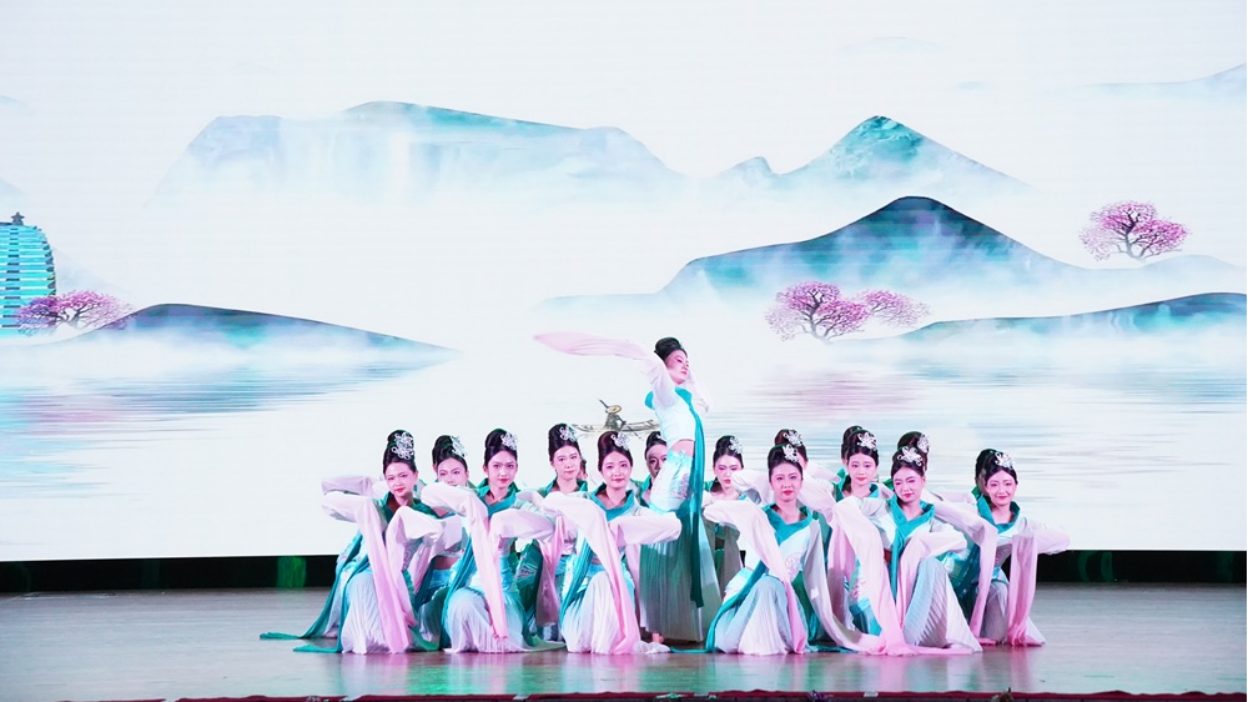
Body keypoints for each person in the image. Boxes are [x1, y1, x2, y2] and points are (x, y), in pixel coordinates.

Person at [536, 333, 720, 643]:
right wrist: (652, 360)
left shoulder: (688, 404)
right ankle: (656, 631)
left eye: (687, 361)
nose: (685, 366)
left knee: (683, 549)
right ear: (663, 367)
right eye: (678, 361)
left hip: (686, 484)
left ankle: (678, 628)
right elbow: (644, 359)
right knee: (665, 548)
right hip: (671, 481)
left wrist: (687, 370)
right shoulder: (666, 396)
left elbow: (707, 402)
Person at [262, 430, 445, 654]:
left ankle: (390, 636)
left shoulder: (424, 512)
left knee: (398, 625)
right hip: (367, 570)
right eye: (391, 478)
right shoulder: (374, 506)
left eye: (403, 476)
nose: (397, 483)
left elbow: (434, 537)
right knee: (362, 583)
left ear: (416, 475)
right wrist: (364, 487)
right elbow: (328, 492)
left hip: (399, 580)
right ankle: (365, 639)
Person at [702, 445, 884, 655]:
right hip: (748, 593)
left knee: (771, 585)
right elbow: (711, 512)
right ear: (770, 482)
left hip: (783, 599)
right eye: (779, 478)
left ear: (802, 482)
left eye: (793, 477)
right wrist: (745, 510)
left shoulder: (811, 528)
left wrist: (835, 628)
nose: (787, 484)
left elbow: (815, 584)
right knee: (761, 591)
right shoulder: (757, 516)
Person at [427, 429, 562, 653]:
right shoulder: (471, 499)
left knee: (505, 635)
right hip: (471, 586)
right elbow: (429, 494)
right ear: (485, 468)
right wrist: (468, 502)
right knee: (463, 604)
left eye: (509, 466)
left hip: (504, 590)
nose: (503, 472)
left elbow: (549, 528)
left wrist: (510, 519)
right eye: (497, 466)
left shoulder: (519, 505)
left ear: (516, 469)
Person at [554, 431, 681, 654]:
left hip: (616, 586)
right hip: (580, 586)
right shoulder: (583, 502)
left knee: (603, 581)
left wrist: (624, 526)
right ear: (601, 471)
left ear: (631, 468)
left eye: (623, 465)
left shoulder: (636, 510)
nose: (617, 472)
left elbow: (674, 528)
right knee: (577, 644)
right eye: (610, 466)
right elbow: (550, 503)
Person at [859, 448, 990, 652]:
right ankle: (897, 635)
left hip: (917, 598)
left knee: (931, 565)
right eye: (898, 483)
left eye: (911, 481)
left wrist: (918, 548)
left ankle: (910, 635)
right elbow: (845, 509)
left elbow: (960, 542)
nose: (905, 488)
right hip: (881, 598)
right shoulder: (880, 509)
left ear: (923, 480)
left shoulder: (932, 522)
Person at [945, 450, 1069, 646]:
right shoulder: (971, 513)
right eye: (994, 484)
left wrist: (1019, 543)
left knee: (1001, 595)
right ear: (985, 487)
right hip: (951, 583)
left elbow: (1062, 539)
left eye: (1008, 484)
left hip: (985, 588)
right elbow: (933, 506)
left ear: (1016, 486)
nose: (1001, 491)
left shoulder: (1021, 524)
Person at [516, 423, 587, 640]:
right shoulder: (539, 495)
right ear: (552, 463)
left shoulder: (590, 496)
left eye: (573, 457)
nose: (569, 464)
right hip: (542, 566)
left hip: (577, 566)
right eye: (561, 459)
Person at [705, 435, 747, 590]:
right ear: (714, 468)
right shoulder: (705, 492)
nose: (727, 474)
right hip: (703, 558)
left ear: (742, 468)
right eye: (722, 468)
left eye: (733, 468)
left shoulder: (746, 497)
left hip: (731, 560)